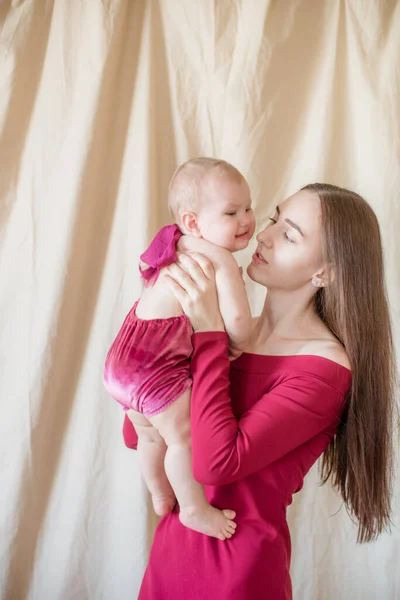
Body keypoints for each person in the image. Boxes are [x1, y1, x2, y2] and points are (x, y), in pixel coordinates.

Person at [123, 183, 396, 600]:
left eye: (289, 235)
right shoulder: (225, 330)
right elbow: (137, 431)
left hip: (236, 575)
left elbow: (216, 463)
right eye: (273, 219)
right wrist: (159, 315)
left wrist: (209, 332)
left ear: (326, 272)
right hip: (170, 556)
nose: (262, 235)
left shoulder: (324, 369)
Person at [103, 158, 256, 540]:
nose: (246, 220)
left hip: (123, 355)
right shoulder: (218, 259)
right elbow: (238, 324)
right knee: (182, 438)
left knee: (151, 435)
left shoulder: (172, 244)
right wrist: (238, 344)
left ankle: (159, 492)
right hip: (152, 366)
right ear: (192, 222)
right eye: (231, 212)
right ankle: (192, 507)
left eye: (249, 208)